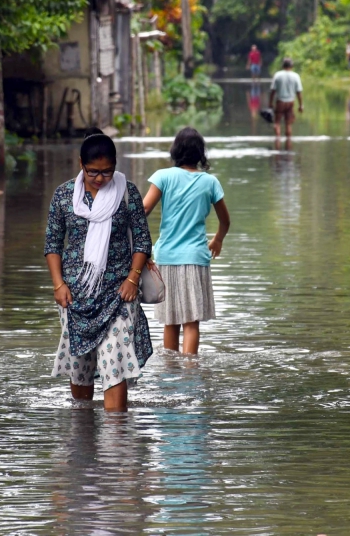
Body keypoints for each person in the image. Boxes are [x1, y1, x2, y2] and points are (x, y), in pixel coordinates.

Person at [44, 128, 154, 412]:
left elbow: (142, 240)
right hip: (75, 295)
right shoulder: (64, 196)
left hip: (119, 293)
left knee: (114, 361)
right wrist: (59, 285)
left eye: (107, 171)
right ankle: (83, 432)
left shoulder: (127, 193)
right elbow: (53, 243)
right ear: (81, 164)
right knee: (80, 365)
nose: (101, 179)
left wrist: (133, 278)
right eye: (93, 172)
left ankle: (116, 442)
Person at [143, 127, 231, 355]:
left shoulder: (163, 176)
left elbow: (143, 209)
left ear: (175, 152)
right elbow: (225, 220)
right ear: (201, 154)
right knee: (191, 322)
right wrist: (218, 240)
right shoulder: (210, 182)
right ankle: (191, 370)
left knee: (170, 320)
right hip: (195, 258)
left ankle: (170, 370)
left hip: (167, 257)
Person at [268, 57, 303, 139]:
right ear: (292, 66)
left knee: (277, 123)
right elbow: (299, 92)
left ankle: (277, 141)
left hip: (280, 101)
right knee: (288, 123)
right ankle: (288, 142)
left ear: (283, 65)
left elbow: (273, 91)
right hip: (290, 102)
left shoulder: (278, 75)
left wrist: (270, 103)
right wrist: (301, 105)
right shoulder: (296, 76)